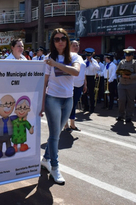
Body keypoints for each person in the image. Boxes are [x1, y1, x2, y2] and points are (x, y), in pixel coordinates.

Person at [40, 28, 80, 184]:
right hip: (53, 99)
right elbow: (44, 83)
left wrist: (56, 63)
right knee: (55, 134)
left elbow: (76, 72)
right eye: (56, 39)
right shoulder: (48, 58)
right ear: (53, 42)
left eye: (63, 38)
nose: (60, 41)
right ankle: (55, 168)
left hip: (68, 99)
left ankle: (45, 159)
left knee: (55, 134)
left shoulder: (74, 56)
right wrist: (42, 105)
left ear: (67, 40)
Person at [64, 40, 86, 131]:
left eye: (77, 45)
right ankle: (66, 124)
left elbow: (83, 72)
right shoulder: (67, 57)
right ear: (69, 46)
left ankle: (72, 124)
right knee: (68, 105)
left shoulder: (80, 57)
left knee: (74, 104)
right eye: (74, 45)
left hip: (79, 84)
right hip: (70, 84)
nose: (76, 47)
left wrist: (85, 84)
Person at [116, 47, 136, 123]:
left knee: (130, 101)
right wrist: (120, 75)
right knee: (121, 100)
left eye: (129, 56)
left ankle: (129, 116)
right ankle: (121, 115)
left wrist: (129, 76)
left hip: (131, 84)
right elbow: (118, 71)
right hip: (122, 84)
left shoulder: (135, 63)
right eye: (126, 55)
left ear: (132, 56)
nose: (127, 57)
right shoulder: (121, 62)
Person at [81, 48, 100, 113]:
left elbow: (98, 68)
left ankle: (92, 107)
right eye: (87, 56)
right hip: (85, 77)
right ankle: (85, 106)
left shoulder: (94, 61)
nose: (88, 57)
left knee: (91, 93)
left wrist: (92, 62)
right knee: (84, 93)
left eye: (89, 56)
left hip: (91, 77)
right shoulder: (84, 61)